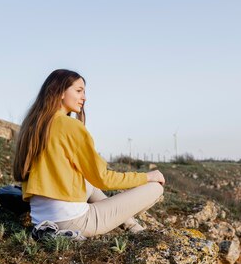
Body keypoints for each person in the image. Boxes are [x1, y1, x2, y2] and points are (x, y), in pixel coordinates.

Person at [12, 69, 165, 238]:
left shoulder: (33, 126)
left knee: (86, 181)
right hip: (74, 221)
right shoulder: (69, 125)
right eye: (78, 91)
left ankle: (132, 227)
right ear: (60, 92)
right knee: (155, 188)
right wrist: (147, 177)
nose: (84, 97)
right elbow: (103, 178)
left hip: (40, 218)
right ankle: (132, 226)